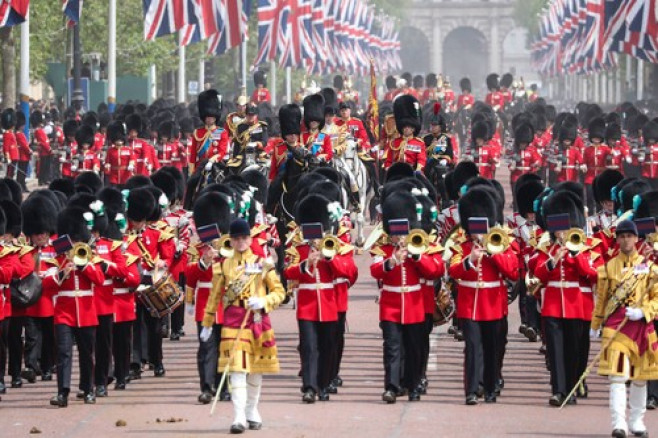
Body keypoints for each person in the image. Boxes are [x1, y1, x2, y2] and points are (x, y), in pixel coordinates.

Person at [201, 218, 286, 434]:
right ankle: (238, 416)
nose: (241, 242)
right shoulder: (223, 265)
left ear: (250, 238)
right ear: (231, 240)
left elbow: (280, 292)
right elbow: (214, 296)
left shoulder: (263, 263)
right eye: (236, 238)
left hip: (257, 319)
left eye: (244, 237)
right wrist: (208, 323)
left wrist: (264, 302)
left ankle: (251, 410)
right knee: (236, 370)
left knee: (256, 371)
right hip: (233, 320)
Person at [449, 187, 518, 405]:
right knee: (472, 348)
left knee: (491, 348)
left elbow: (513, 271)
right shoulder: (462, 247)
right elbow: (454, 271)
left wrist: (493, 253)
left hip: (493, 304)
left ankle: (489, 388)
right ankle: (470, 390)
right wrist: (470, 259)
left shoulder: (502, 244)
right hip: (469, 305)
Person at [591, 219, 658, 438]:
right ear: (617, 239)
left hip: (640, 326)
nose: (626, 239)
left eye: (630, 236)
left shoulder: (649, 267)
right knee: (617, 377)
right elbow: (602, 299)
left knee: (640, 378)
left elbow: (656, 297)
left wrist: (644, 311)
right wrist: (595, 324)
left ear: (637, 238)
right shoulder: (609, 267)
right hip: (615, 327)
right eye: (622, 236)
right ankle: (618, 423)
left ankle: (637, 421)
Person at [42, 207, 106, 407]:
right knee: (63, 352)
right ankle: (62, 392)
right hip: (63, 312)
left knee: (87, 354)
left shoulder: (88, 256)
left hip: (86, 312)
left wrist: (83, 265)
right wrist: (63, 272)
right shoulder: (58, 257)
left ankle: (88, 390)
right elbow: (47, 283)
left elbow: (100, 279)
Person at [191, 89, 229, 175]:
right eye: (207, 117)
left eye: (211, 117)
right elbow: (193, 154)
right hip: (200, 166)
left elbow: (222, 151)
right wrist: (191, 169)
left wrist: (212, 161)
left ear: (215, 118)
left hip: (216, 165)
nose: (209, 119)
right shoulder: (197, 132)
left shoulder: (222, 132)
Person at [384, 95, 426, 172]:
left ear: (413, 129)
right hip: (396, 171)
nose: (406, 129)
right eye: (404, 127)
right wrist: (388, 169)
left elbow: (421, 160)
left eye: (408, 127)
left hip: (413, 171)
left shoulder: (419, 143)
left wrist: (418, 170)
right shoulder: (394, 143)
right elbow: (388, 161)